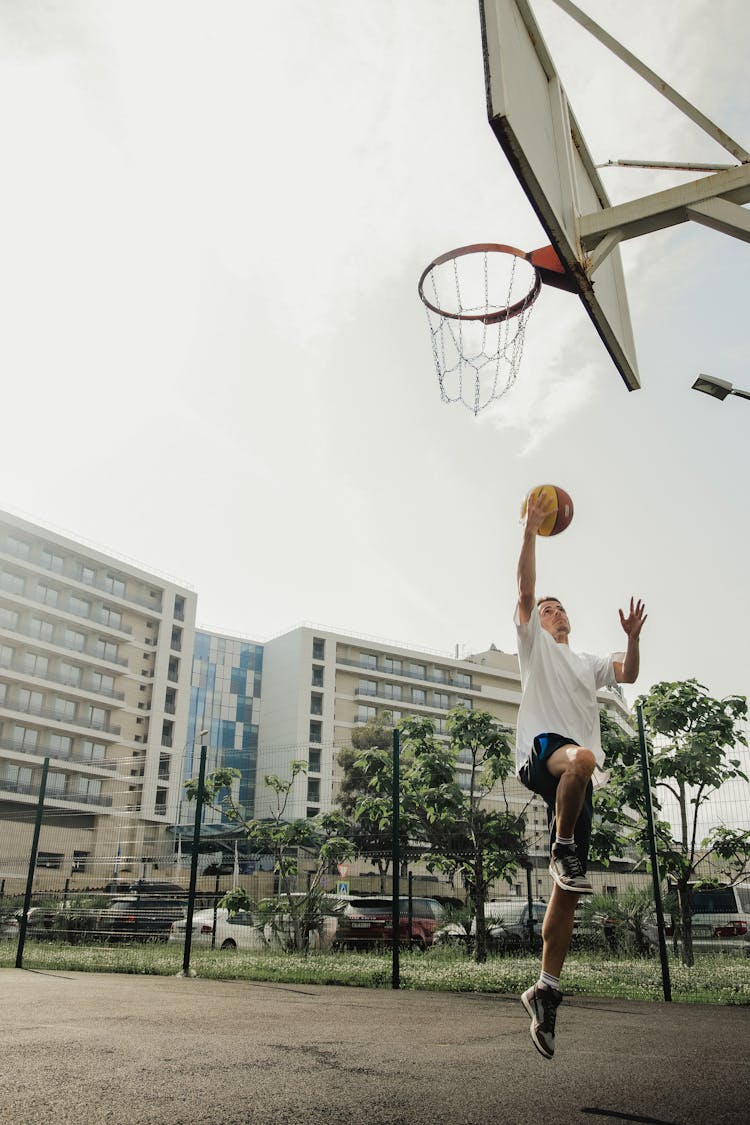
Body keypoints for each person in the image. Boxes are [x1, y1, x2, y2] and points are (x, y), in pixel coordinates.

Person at [515, 489, 646, 1060]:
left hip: (575, 780)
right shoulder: (534, 648)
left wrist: (634, 639)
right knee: (584, 759)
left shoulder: (587, 661)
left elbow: (629, 672)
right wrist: (530, 529)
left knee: (566, 894)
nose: (556, 611)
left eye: (561, 607)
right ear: (536, 622)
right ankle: (561, 844)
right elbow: (523, 589)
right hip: (545, 752)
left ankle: (546, 990)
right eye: (549, 608)